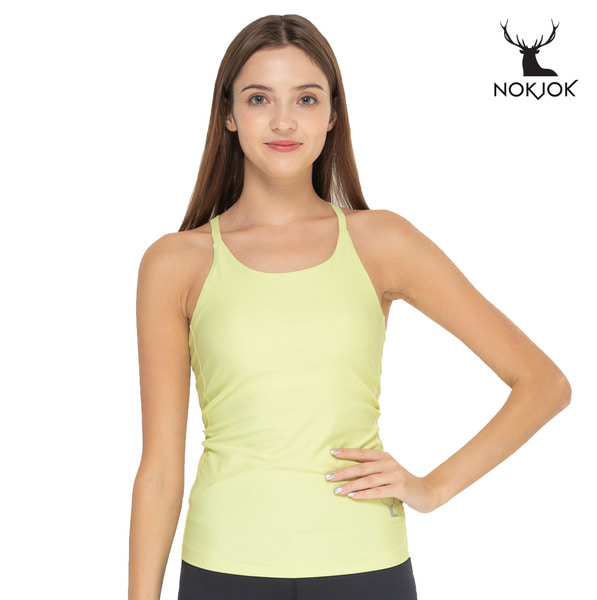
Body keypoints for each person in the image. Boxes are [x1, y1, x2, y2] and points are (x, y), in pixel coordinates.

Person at [128, 14, 571, 600]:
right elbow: (160, 473)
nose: (283, 120)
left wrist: (432, 488)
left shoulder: (382, 242)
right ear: (228, 114)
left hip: (366, 566)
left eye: (306, 99)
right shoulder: (174, 263)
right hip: (223, 567)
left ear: (332, 114)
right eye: (259, 98)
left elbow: (543, 384)